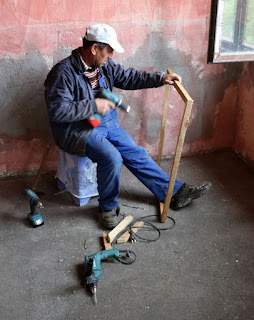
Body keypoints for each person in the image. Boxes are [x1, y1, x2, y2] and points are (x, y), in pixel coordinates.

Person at [45, 24, 211, 229]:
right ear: (95, 48)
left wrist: (160, 78)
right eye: (108, 51)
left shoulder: (104, 65)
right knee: (112, 157)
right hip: (79, 130)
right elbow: (58, 111)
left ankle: (174, 193)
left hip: (105, 121)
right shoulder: (62, 73)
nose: (111, 56)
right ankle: (107, 208)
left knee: (136, 152)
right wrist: (93, 105)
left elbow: (129, 77)